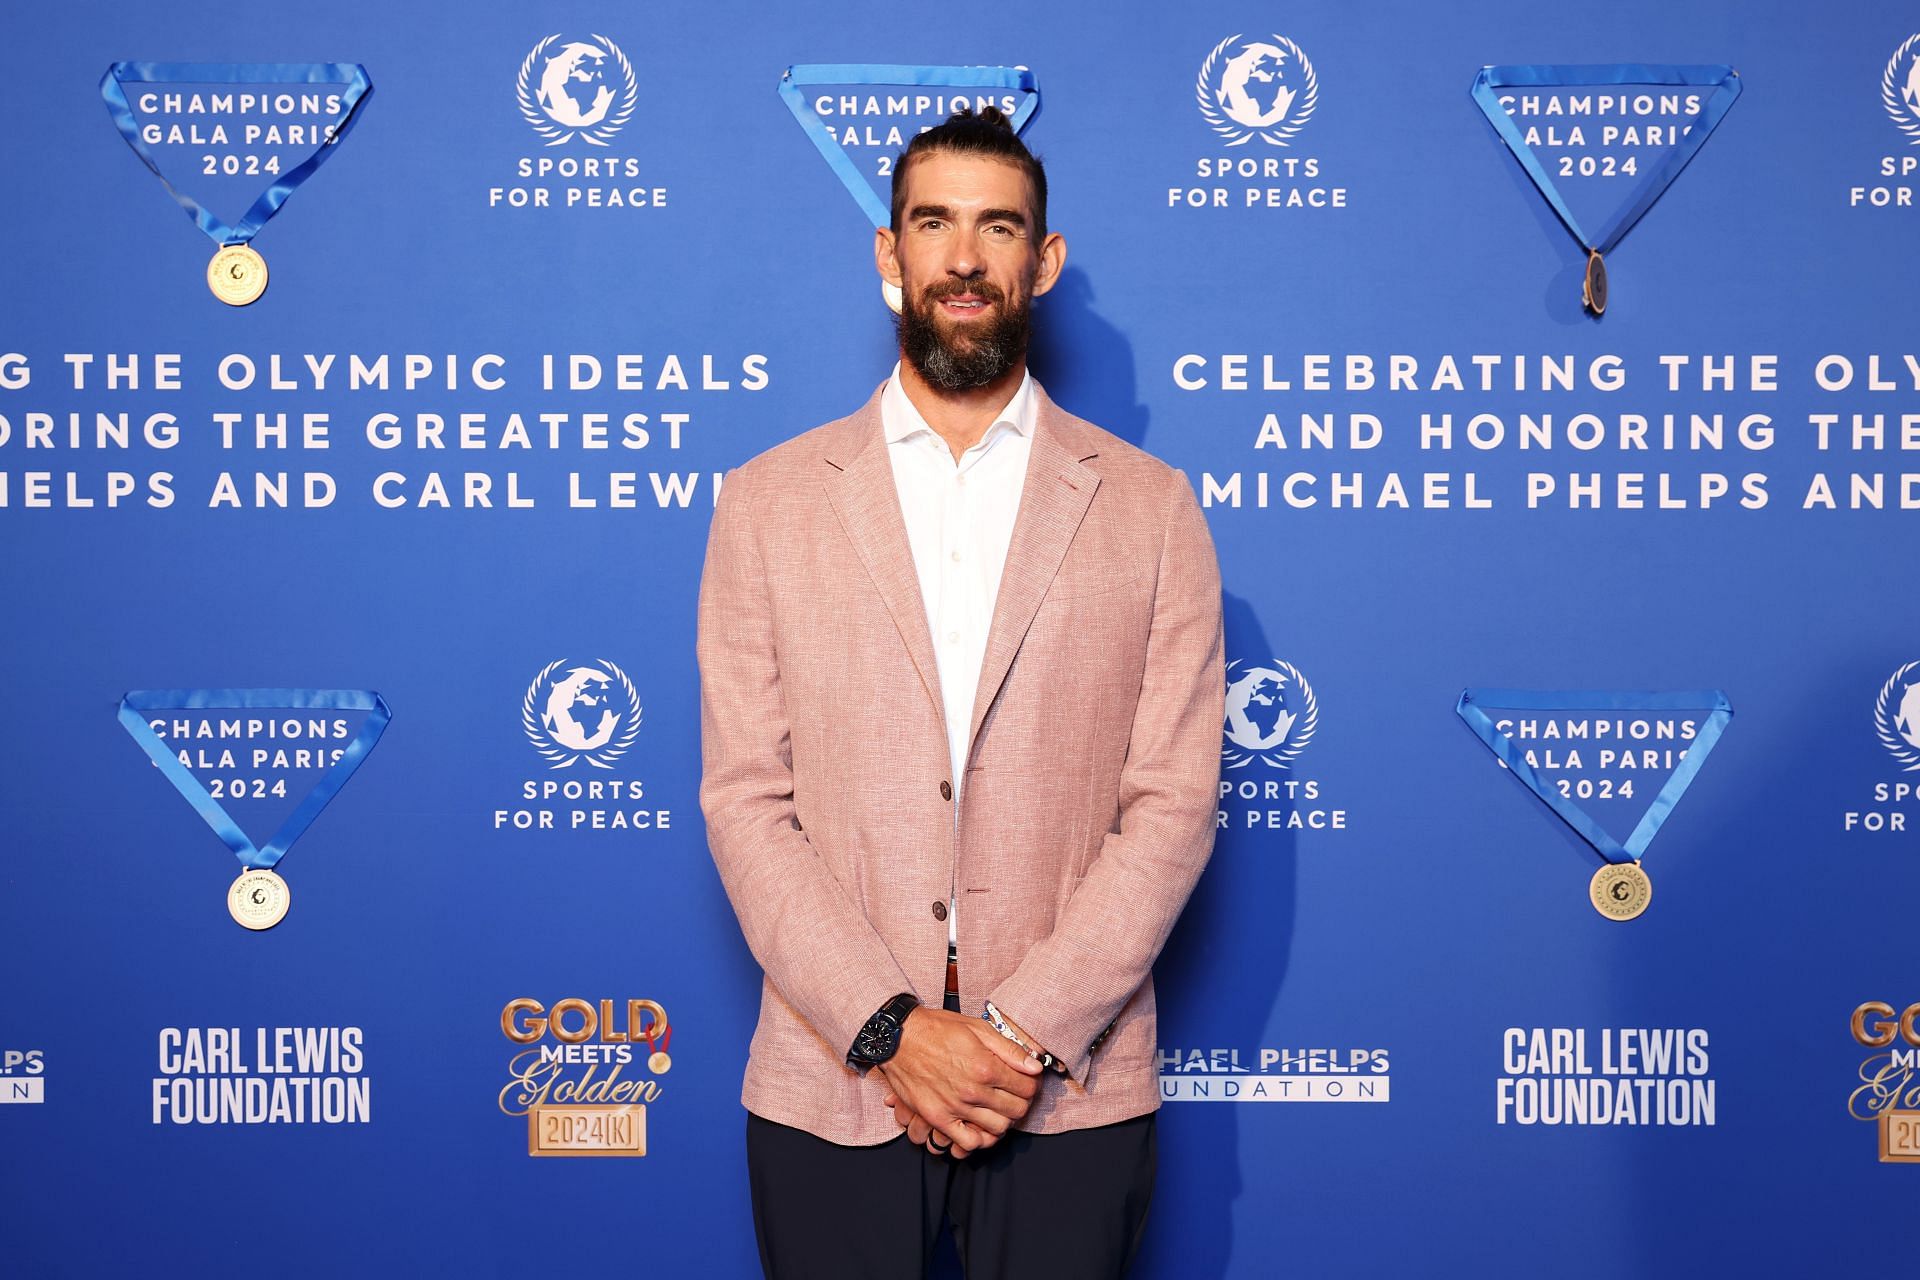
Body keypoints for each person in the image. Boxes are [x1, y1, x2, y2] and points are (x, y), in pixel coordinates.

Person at [698, 106, 1224, 1279]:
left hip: (1062, 1088)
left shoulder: (1152, 508)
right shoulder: (767, 503)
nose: (965, 256)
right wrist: (888, 1029)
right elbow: (746, 800)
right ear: (891, 255)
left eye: (999, 226)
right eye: (933, 223)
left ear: (1044, 260)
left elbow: (1174, 805)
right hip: (830, 1080)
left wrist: (1013, 1036)